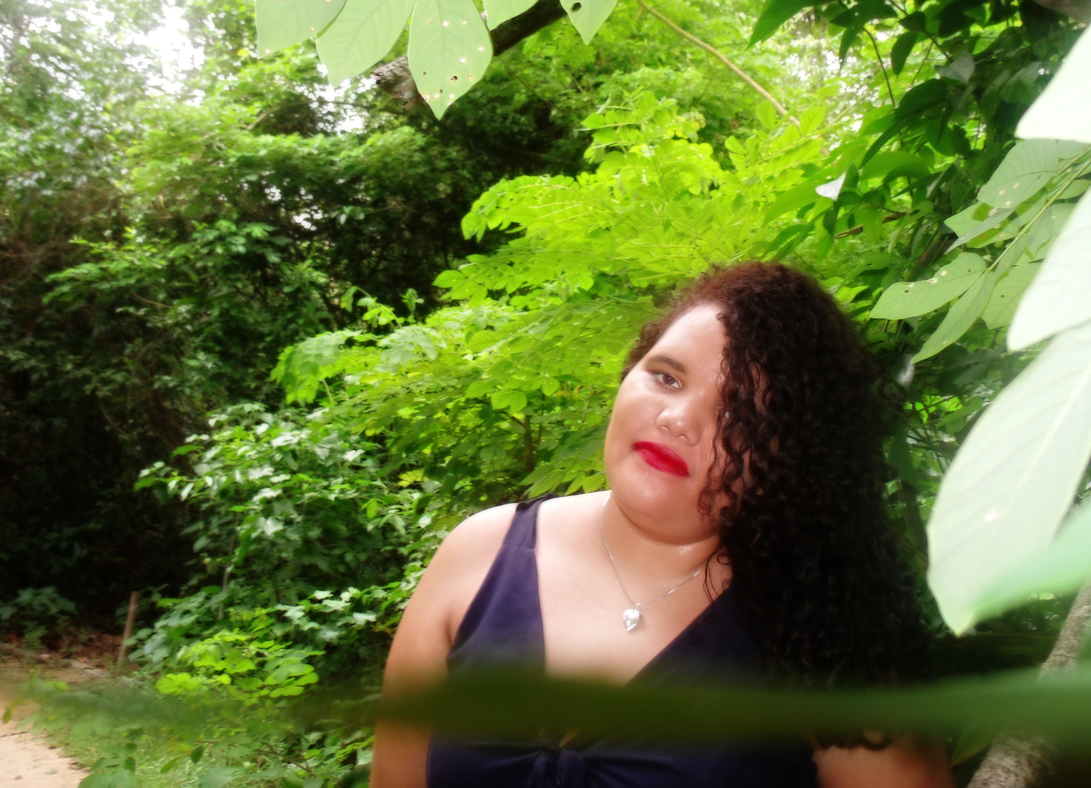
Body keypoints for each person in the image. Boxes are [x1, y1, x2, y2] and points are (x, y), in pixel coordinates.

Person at [372, 261, 955, 788]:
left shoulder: (827, 634)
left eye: (738, 413)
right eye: (667, 378)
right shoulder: (478, 554)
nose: (678, 419)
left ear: (787, 460)